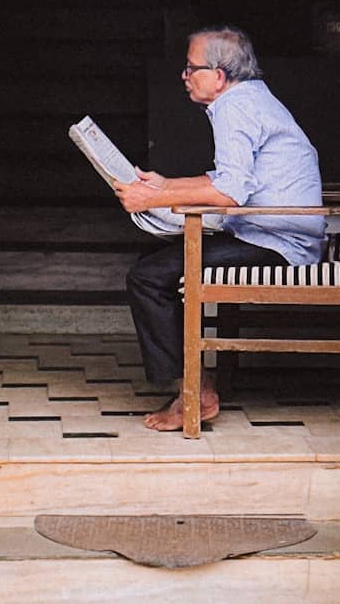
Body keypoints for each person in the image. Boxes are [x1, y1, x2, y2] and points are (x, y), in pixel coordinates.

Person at [114, 25, 325, 432]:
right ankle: (192, 382)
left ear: (220, 76)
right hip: (272, 231)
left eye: (191, 68)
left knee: (148, 277)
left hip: (277, 240)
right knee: (152, 267)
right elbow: (234, 178)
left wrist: (149, 200)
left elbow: (229, 192)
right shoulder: (248, 99)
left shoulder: (235, 108)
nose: (184, 76)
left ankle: (194, 391)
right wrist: (164, 185)